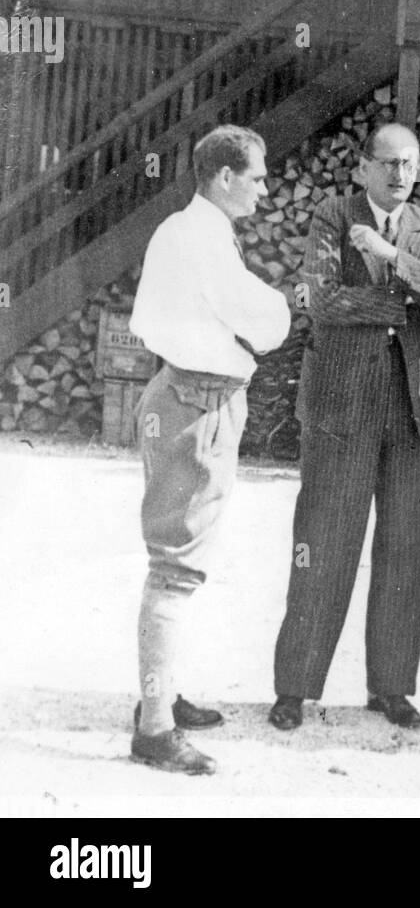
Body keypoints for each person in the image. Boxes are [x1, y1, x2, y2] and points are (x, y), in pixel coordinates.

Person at [270, 123, 420, 731]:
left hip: (409, 408)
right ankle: (294, 688)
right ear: (362, 169)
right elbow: (320, 302)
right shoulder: (333, 215)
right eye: (387, 164)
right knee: (323, 542)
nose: (401, 175)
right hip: (342, 406)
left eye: (409, 164)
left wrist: (389, 259)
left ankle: (391, 688)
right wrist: (407, 299)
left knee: (405, 548)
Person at [128, 125, 291, 775]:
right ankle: (154, 728)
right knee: (176, 568)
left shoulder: (182, 229)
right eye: (255, 176)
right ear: (224, 177)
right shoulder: (201, 240)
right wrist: (274, 306)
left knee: (175, 561)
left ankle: (158, 694)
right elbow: (266, 320)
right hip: (199, 404)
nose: (263, 187)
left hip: (178, 395)